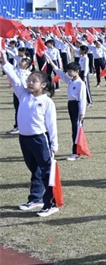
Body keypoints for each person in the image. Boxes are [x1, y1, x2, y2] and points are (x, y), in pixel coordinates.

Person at [1, 51, 59, 217]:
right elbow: (14, 78)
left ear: (43, 85)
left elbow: (51, 125)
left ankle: (51, 203)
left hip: (40, 139)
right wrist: (5, 63)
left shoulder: (47, 102)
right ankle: (36, 198)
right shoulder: (23, 95)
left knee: (46, 170)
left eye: (34, 81)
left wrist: (54, 144)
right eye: (29, 80)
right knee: (34, 169)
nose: (29, 83)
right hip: (24, 138)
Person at [46, 56, 87, 161]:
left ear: (77, 71)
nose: (68, 73)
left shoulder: (80, 83)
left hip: (77, 106)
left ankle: (76, 152)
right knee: (73, 128)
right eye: (68, 71)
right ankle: (76, 151)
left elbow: (83, 99)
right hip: (71, 105)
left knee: (76, 129)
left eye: (70, 71)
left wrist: (82, 113)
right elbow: (59, 73)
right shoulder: (70, 81)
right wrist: (50, 61)